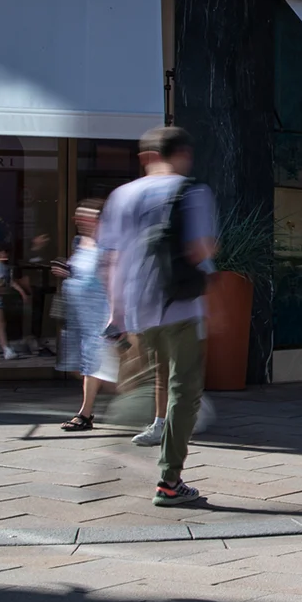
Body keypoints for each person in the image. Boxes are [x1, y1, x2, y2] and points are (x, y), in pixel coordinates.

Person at [101, 126, 217, 507]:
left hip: (138, 309)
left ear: (145, 157)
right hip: (180, 306)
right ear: (183, 152)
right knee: (184, 392)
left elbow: (112, 260)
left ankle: (142, 437)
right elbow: (201, 249)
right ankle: (169, 481)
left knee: (157, 380)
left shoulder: (121, 196)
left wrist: (116, 315)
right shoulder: (191, 191)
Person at [56, 201, 118, 431]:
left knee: (97, 368)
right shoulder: (79, 242)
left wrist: (115, 315)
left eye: (89, 217)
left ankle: (85, 414)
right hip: (82, 317)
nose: (83, 221)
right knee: (93, 369)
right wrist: (66, 271)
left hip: (102, 316)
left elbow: (112, 280)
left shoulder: (109, 244)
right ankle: (162, 406)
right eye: (80, 217)